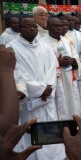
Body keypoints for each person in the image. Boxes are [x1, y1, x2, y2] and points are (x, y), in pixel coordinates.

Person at [8, 17, 66, 159]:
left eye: (34, 26)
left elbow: (53, 68)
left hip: (47, 97)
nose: (32, 29)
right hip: (30, 99)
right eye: (27, 26)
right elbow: (17, 73)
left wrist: (48, 88)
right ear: (20, 29)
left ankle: (55, 156)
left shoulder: (44, 46)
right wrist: (40, 90)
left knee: (50, 126)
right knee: (30, 130)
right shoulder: (12, 48)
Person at [42, 17, 81, 118]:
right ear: (47, 27)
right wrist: (57, 63)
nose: (58, 28)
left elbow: (75, 56)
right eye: (55, 26)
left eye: (60, 26)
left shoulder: (66, 41)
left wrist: (73, 61)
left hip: (69, 79)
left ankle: (73, 125)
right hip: (55, 83)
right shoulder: (42, 43)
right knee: (58, 107)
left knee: (71, 103)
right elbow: (40, 65)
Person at [66, 15, 81, 115]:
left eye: (72, 21)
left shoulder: (80, 34)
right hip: (71, 67)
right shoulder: (64, 35)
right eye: (68, 20)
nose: (71, 22)